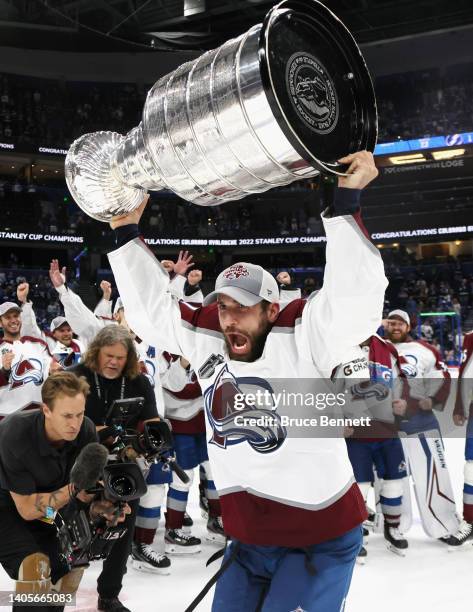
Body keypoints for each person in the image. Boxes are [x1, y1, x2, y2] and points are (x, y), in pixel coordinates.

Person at [107, 151, 387, 611]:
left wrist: (344, 204)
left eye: (243, 307)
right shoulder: (208, 336)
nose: (229, 317)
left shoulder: (304, 330)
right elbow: (154, 314)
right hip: (252, 536)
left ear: (271, 310)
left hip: (318, 536)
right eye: (223, 306)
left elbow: (355, 302)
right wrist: (124, 233)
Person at [0, 371, 129, 612]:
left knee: (70, 568)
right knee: (34, 566)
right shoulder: (14, 433)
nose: (75, 423)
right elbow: (28, 510)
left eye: (80, 414)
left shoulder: (86, 431)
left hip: (51, 507)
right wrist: (75, 487)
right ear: (45, 410)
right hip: (7, 505)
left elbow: (82, 495)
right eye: (67, 415)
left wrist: (102, 504)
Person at [70, 325, 161, 611]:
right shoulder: (75, 377)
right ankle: (55, 587)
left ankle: (109, 595)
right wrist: (96, 430)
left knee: (122, 532)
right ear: (96, 352)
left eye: (121, 358)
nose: (114, 362)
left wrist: (151, 438)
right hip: (81, 464)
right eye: (109, 355)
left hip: (124, 466)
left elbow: (151, 422)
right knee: (71, 528)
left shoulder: (139, 382)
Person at [0, 301, 58, 418]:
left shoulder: (38, 344)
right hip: (8, 418)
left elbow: (51, 372)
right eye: (7, 317)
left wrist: (53, 371)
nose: (13, 320)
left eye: (16, 316)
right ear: (0, 323)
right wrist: (4, 371)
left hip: (41, 413)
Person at [447, 329, 473, 547]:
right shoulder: (471, 337)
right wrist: (460, 407)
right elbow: (465, 374)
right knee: (472, 470)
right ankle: (471, 521)